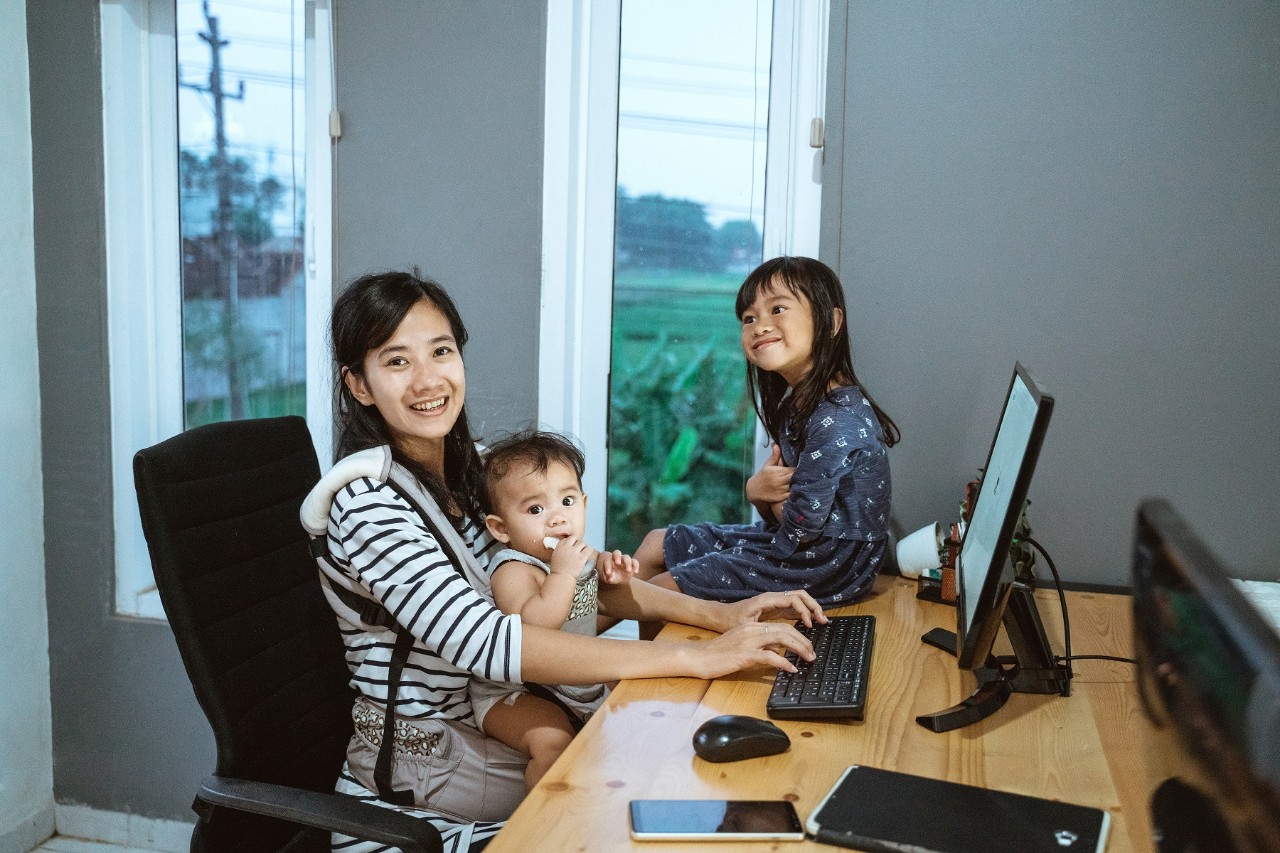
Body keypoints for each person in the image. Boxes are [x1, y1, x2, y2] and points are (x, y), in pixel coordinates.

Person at [307, 270, 827, 853]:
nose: (429, 379)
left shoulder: (476, 475)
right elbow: (493, 643)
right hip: (423, 793)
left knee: (699, 784)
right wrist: (695, 656)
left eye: (441, 351)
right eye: (397, 361)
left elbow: (576, 590)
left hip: (492, 742)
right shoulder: (370, 505)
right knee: (657, 803)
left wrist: (722, 617)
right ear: (359, 384)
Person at [635, 256, 900, 609]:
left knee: (664, 589)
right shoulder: (798, 406)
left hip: (828, 565)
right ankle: (571, 642)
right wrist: (765, 498)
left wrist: (760, 494)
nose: (760, 326)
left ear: (831, 321)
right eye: (749, 318)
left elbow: (803, 529)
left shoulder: (835, 418)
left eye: (777, 309)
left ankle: (625, 659)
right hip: (802, 547)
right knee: (656, 542)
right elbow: (795, 519)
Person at [468, 429, 634, 790]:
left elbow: (594, 576)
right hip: (518, 694)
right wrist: (561, 574)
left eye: (568, 502)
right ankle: (542, 823)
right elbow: (534, 626)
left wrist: (612, 567)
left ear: (585, 504)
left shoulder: (573, 555)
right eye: (536, 509)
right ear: (501, 528)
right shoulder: (512, 568)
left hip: (574, 684)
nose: (557, 519)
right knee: (555, 745)